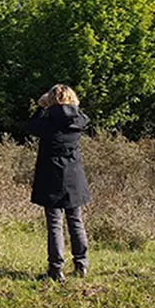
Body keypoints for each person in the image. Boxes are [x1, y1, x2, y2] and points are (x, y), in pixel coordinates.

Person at [28, 84, 90, 282]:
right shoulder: (78, 120)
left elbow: (31, 127)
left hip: (51, 174)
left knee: (55, 223)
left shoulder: (47, 121)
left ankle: (56, 268)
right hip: (74, 175)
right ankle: (81, 263)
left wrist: (40, 107)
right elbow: (83, 117)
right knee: (76, 219)